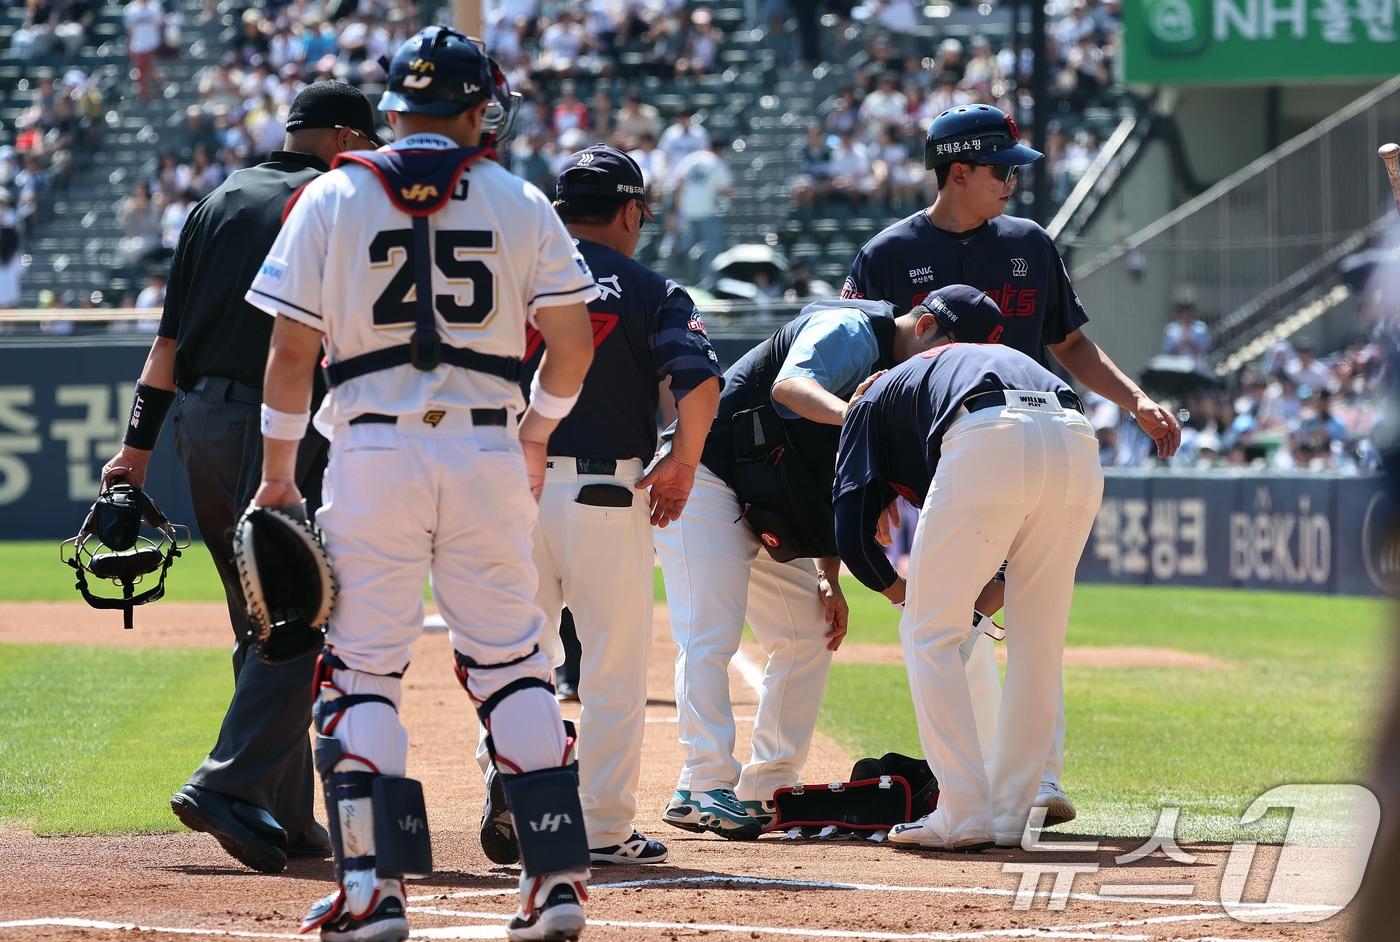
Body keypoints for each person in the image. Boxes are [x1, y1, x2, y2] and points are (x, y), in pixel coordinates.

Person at [243, 28, 598, 942]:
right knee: (515, 663)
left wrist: (279, 475)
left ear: (393, 107)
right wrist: (535, 433)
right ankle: (555, 880)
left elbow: (289, 351)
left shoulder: (330, 193)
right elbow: (570, 344)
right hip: (485, 450)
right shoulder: (520, 198)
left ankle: (376, 892)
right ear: (480, 111)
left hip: (370, 451)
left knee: (363, 671)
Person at [841, 103, 1181, 827]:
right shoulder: (887, 255)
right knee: (963, 625)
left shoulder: (1029, 242)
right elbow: (863, 363)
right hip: (938, 459)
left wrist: (1135, 400)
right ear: (957, 172)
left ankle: (1030, 783)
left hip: (1023, 439)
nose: (1013, 184)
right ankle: (992, 785)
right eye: (1000, 171)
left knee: (1015, 621)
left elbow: (1071, 342)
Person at [99, 81, 382, 875]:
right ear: (342, 139)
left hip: (198, 424)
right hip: (282, 421)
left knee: (260, 615)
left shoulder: (215, 201)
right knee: (303, 607)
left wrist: (135, 451)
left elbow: (166, 347)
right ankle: (227, 783)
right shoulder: (339, 197)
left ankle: (286, 816)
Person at [480, 144, 723, 870]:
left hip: (505, 489)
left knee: (513, 659)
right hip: (606, 495)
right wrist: (681, 463)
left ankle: (512, 777)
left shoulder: (510, 278)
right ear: (629, 211)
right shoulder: (653, 288)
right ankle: (601, 828)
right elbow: (699, 385)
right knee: (613, 672)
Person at [654, 293, 952, 837]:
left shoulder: (898, 380)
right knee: (710, 632)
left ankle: (767, 784)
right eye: (948, 348)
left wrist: (828, 577)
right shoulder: (853, 328)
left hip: (766, 502)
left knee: (811, 632)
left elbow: (829, 484)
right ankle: (701, 783)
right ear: (926, 326)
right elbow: (788, 389)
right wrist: (856, 416)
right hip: (707, 477)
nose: (945, 365)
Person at [834, 285, 1103, 849]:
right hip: (1078, 437)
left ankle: (962, 811)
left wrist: (906, 593)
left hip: (988, 433)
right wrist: (986, 586)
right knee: (1037, 641)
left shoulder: (867, 398)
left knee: (930, 633)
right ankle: (1009, 815)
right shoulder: (959, 366)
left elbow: (850, 533)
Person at [669, 137, 732, 280]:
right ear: (720, 150)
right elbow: (727, 191)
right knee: (712, 246)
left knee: (687, 246)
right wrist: (727, 206)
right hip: (706, 211)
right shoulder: (717, 161)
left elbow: (678, 181)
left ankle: (684, 279)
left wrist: (677, 209)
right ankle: (707, 280)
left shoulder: (691, 158)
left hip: (687, 211)